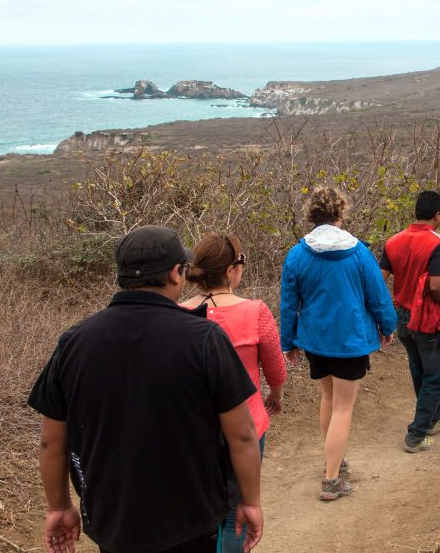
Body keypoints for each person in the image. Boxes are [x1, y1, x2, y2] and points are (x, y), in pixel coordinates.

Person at [28, 225, 263, 553]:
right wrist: (250, 501)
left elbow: (50, 440)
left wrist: (58, 507)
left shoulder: (73, 342)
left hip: (112, 520)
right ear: (174, 275)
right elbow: (242, 435)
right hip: (191, 519)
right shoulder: (205, 339)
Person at [280, 187, 396, 501]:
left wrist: (287, 342)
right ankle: (332, 480)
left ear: (312, 216)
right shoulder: (359, 252)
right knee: (344, 406)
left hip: (315, 340)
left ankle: (335, 458)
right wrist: (387, 327)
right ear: (340, 214)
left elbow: (289, 304)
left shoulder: (297, 254)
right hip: (351, 339)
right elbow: (377, 295)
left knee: (329, 398)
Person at [180, 234, 286, 553]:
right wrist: (275, 396)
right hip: (246, 424)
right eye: (242, 262)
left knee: (202, 506)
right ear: (230, 271)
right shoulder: (255, 311)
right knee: (237, 509)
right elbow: (275, 369)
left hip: (194, 429)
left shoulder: (178, 312)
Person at [380, 190, 440, 450]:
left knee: (419, 370)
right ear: (437, 215)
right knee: (435, 375)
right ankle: (416, 434)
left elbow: (380, 281)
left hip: (400, 317)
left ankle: (433, 418)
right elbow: (437, 285)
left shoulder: (393, 241)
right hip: (427, 318)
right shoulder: (438, 243)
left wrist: (383, 314)